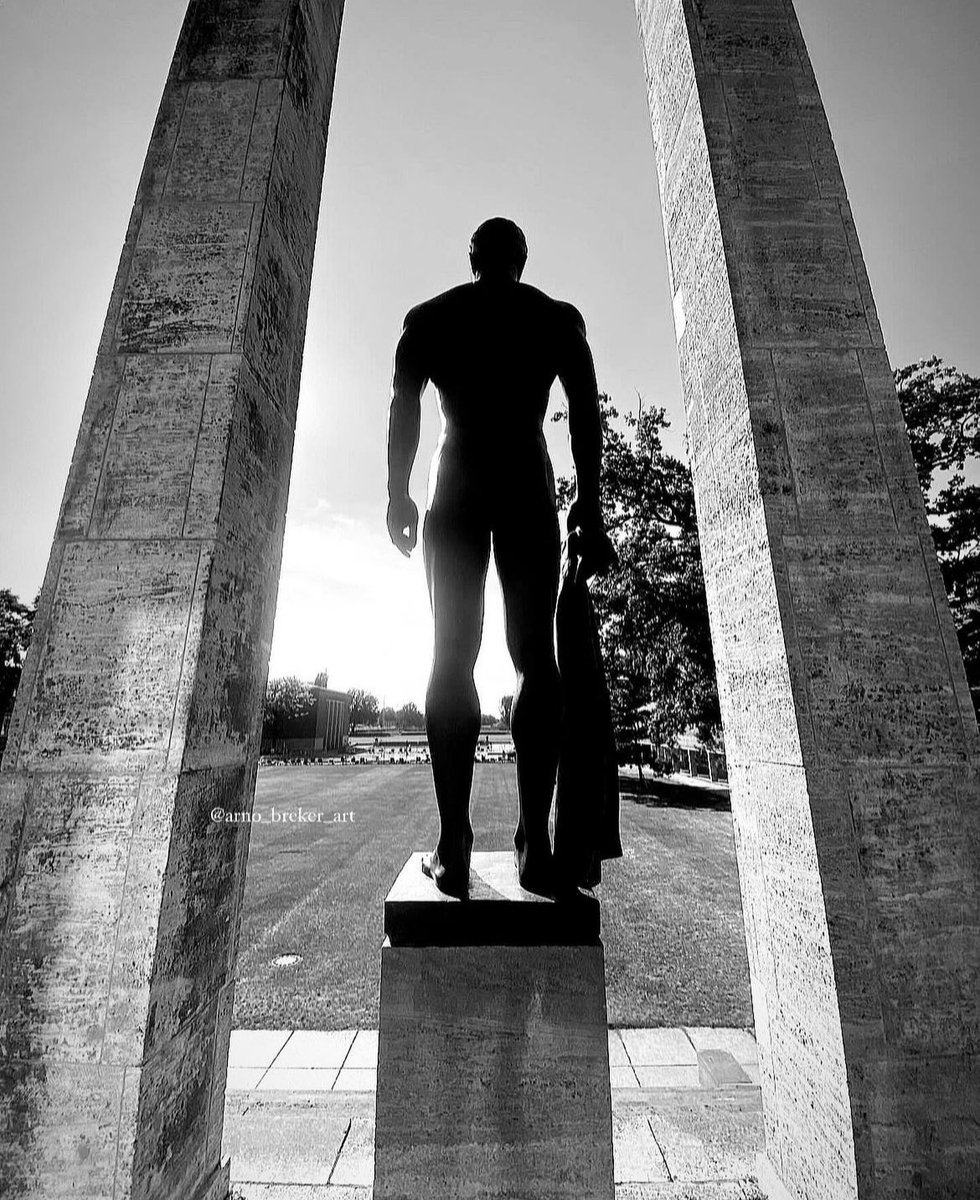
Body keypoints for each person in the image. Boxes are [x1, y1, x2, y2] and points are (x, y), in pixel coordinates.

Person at [386, 217, 615, 896]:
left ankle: (455, 843)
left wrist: (395, 494)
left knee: (450, 657)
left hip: (454, 485)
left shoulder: (430, 317)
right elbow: (584, 412)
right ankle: (533, 845)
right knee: (535, 663)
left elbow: (404, 407)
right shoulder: (555, 318)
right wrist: (590, 505)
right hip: (523, 482)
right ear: (521, 259)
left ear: (473, 259)